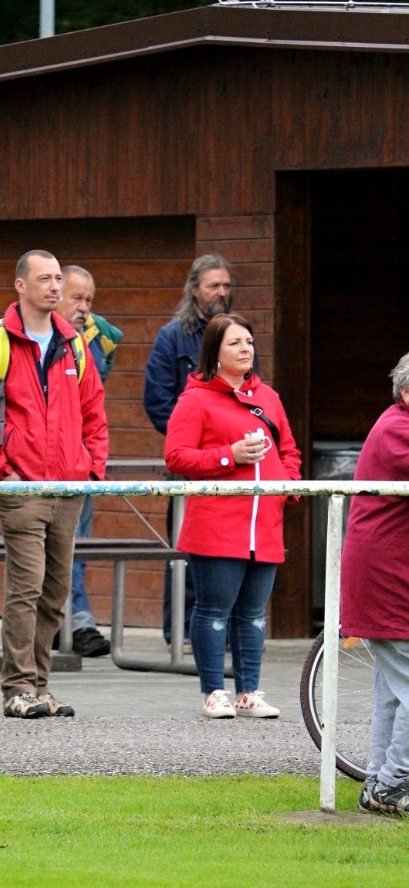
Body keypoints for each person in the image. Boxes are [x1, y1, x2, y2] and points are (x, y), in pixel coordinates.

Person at [0, 250, 109, 719]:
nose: (54, 286)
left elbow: (95, 415)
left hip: (69, 489)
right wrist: (1, 473)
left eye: (57, 278)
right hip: (21, 488)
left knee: (54, 592)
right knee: (25, 588)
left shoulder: (75, 345)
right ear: (20, 285)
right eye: (44, 278)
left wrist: (91, 471)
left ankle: (40, 686)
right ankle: (18, 687)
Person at [164, 312, 301, 719]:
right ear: (215, 352)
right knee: (213, 610)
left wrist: (286, 487)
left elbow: (289, 450)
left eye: (249, 342)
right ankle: (213, 692)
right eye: (235, 343)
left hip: (265, 524)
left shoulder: (269, 398)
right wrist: (230, 456)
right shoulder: (195, 400)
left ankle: (248, 692)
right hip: (217, 524)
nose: (246, 349)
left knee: (254, 614)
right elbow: (177, 456)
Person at [144, 253, 233, 654]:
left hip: (232, 464)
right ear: (194, 288)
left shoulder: (236, 336)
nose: (221, 293)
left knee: (228, 551)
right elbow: (157, 400)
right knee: (185, 550)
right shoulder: (172, 338)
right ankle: (180, 634)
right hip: (190, 465)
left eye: (226, 286)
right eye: (214, 285)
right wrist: (195, 437)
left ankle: (223, 634)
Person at [340, 353, 409, 817]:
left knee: (391, 690)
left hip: (388, 570)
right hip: (386, 575)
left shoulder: (395, 422)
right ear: (406, 391)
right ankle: (392, 783)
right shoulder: (397, 429)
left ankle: (379, 779)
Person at [55, 265, 123, 657]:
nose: (84, 308)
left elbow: (94, 409)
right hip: (36, 469)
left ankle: (75, 620)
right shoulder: (31, 339)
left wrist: (94, 465)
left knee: (76, 546)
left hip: (79, 464)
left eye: (89, 300)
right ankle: (64, 620)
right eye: (77, 298)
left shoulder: (98, 340)